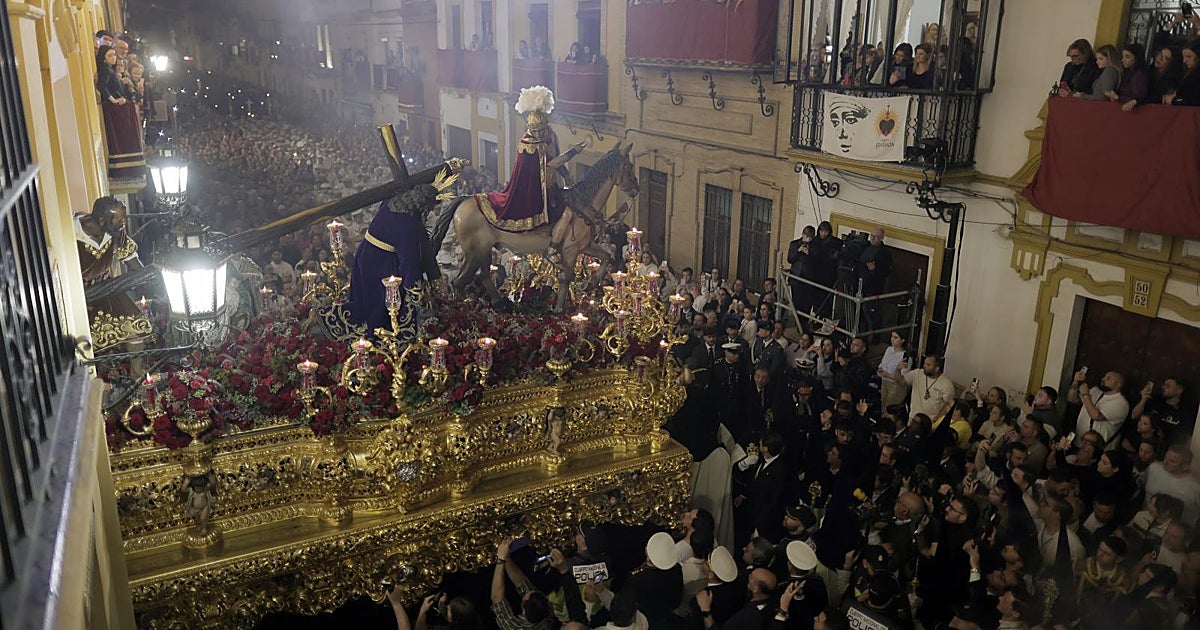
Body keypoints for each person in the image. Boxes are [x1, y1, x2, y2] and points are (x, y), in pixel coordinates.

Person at [481, 86, 587, 232]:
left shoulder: (551, 136)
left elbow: (555, 156)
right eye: (534, 130)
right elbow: (553, 163)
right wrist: (575, 151)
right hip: (533, 188)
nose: (537, 134)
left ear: (546, 126)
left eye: (540, 130)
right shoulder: (528, 143)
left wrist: (566, 175)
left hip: (551, 185)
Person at [96, 44, 144, 179]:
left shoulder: (109, 70)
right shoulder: (105, 71)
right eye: (109, 56)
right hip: (115, 109)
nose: (113, 58)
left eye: (114, 55)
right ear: (103, 58)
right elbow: (103, 87)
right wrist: (114, 100)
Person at [1068, 368, 1129, 451]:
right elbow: (1072, 399)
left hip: (1096, 450)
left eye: (1108, 378)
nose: (1103, 379)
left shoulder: (1120, 403)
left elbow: (1096, 416)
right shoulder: (1095, 391)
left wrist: (1086, 394)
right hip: (1079, 442)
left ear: (1118, 384)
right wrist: (1075, 382)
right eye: (1104, 376)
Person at [903, 355, 955, 423]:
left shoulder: (947, 384)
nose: (924, 366)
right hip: (913, 418)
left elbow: (947, 406)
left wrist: (937, 419)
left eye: (928, 365)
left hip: (930, 422)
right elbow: (901, 380)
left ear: (937, 368)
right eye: (924, 363)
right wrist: (898, 369)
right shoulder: (918, 373)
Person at [1167, 39, 1200, 105]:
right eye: (1183, 57)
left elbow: (1193, 100)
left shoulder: (1196, 77)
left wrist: (1174, 100)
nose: (1184, 60)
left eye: (1189, 56)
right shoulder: (1184, 73)